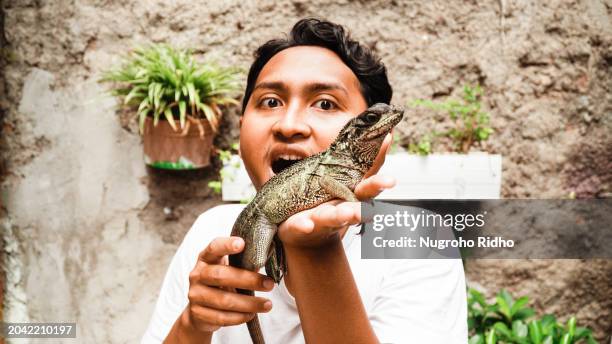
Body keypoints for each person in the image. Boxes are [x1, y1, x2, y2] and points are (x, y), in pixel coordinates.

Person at [142, 18, 467, 344]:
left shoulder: (418, 241)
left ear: (380, 143)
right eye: (270, 101)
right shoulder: (214, 230)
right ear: (241, 129)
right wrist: (193, 323)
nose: (289, 124)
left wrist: (313, 249)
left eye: (325, 103)